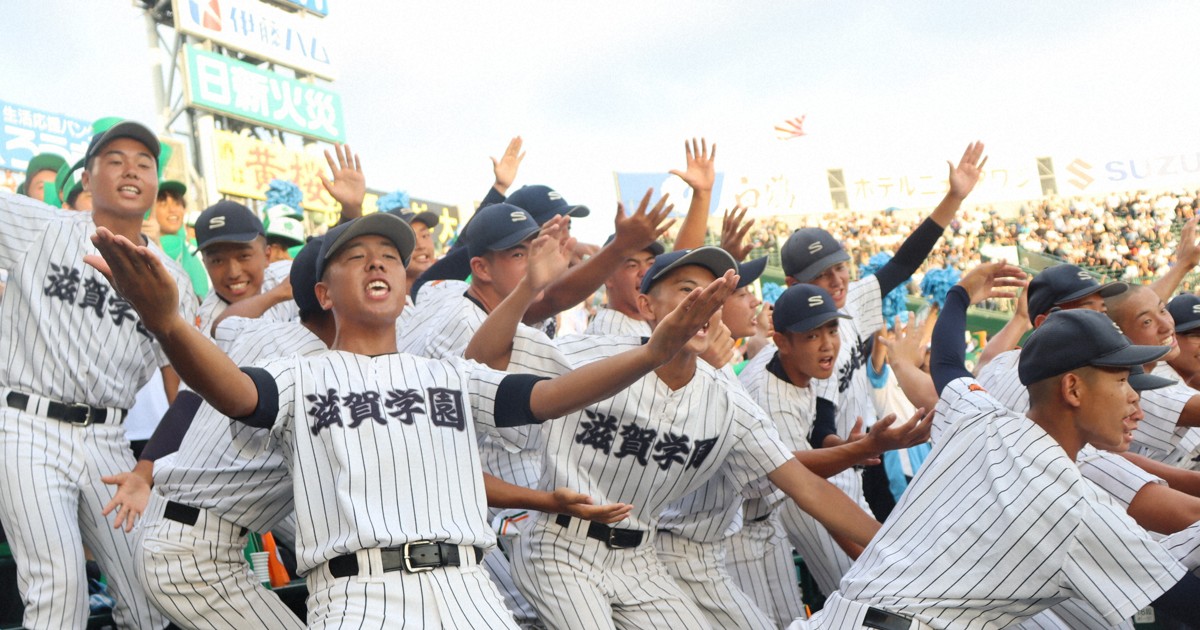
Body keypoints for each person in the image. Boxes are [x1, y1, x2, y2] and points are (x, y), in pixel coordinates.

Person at [87, 211, 737, 629]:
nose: (377, 261)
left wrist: (652, 352)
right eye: (356, 255)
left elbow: (555, 393)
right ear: (322, 292)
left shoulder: (449, 375)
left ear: (404, 284)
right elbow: (228, 391)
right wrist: (168, 321)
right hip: (359, 596)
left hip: (467, 592)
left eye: (390, 255)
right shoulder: (299, 373)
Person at [464, 245, 887, 629]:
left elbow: (805, 486)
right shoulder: (594, 354)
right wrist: (529, 287)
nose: (703, 304)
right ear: (646, 305)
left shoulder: (726, 399)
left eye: (713, 295)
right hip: (561, 549)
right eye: (688, 290)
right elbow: (481, 358)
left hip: (639, 558)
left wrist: (891, 546)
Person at [805, 262, 1200, 629]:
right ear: (1072, 388)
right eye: (1120, 380)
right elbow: (1184, 599)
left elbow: (947, 367)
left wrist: (960, 295)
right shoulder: (1073, 506)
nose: (1134, 397)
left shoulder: (979, 415)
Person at [0, 120, 189, 629]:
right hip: (26, 424)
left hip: (111, 441)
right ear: (87, 178)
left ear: (152, 184)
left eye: (144, 163)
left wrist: (147, 470)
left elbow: (188, 392)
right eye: (115, 159)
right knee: (59, 591)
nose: (131, 169)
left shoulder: (172, 281)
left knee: (150, 599)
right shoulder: (39, 226)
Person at [774, 141, 989, 527]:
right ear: (793, 284)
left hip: (869, 450)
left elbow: (905, 262)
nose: (836, 279)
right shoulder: (805, 341)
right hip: (837, 465)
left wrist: (953, 198)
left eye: (838, 266)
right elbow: (820, 425)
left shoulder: (853, 297)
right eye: (820, 275)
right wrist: (852, 447)